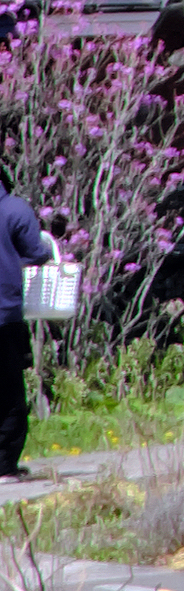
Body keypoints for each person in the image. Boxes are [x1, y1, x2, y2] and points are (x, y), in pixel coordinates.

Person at [0, 174, 51, 477]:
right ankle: (4, 465)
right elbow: (36, 252)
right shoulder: (14, 209)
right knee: (8, 393)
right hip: (4, 314)